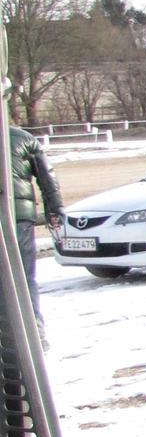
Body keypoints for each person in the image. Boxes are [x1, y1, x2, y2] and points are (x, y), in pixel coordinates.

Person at [8, 121, 63, 348]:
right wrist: (54, 209)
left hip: (15, 216)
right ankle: (35, 334)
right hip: (20, 218)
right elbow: (47, 179)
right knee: (23, 276)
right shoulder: (24, 138)